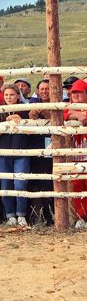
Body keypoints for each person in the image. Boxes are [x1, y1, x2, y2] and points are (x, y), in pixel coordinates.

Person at [0, 84, 31, 226]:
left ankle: (21, 214)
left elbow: (30, 130)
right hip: (3, 151)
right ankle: (10, 215)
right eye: (6, 95)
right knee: (6, 185)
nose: (9, 97)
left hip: (21, 150)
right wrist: (6, 123)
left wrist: (20, 120)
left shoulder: (25, 109)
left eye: (11, 95)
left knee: (20, 183)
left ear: (18, 96)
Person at [64, 79, 87, 229]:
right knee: (78, 186)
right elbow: (63, 112)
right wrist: (76, 114)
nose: (76, 96)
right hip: (77, 154)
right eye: (73, 93)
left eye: (79, 93)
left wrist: (77, 114)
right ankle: (81, 217)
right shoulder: (69, 106)